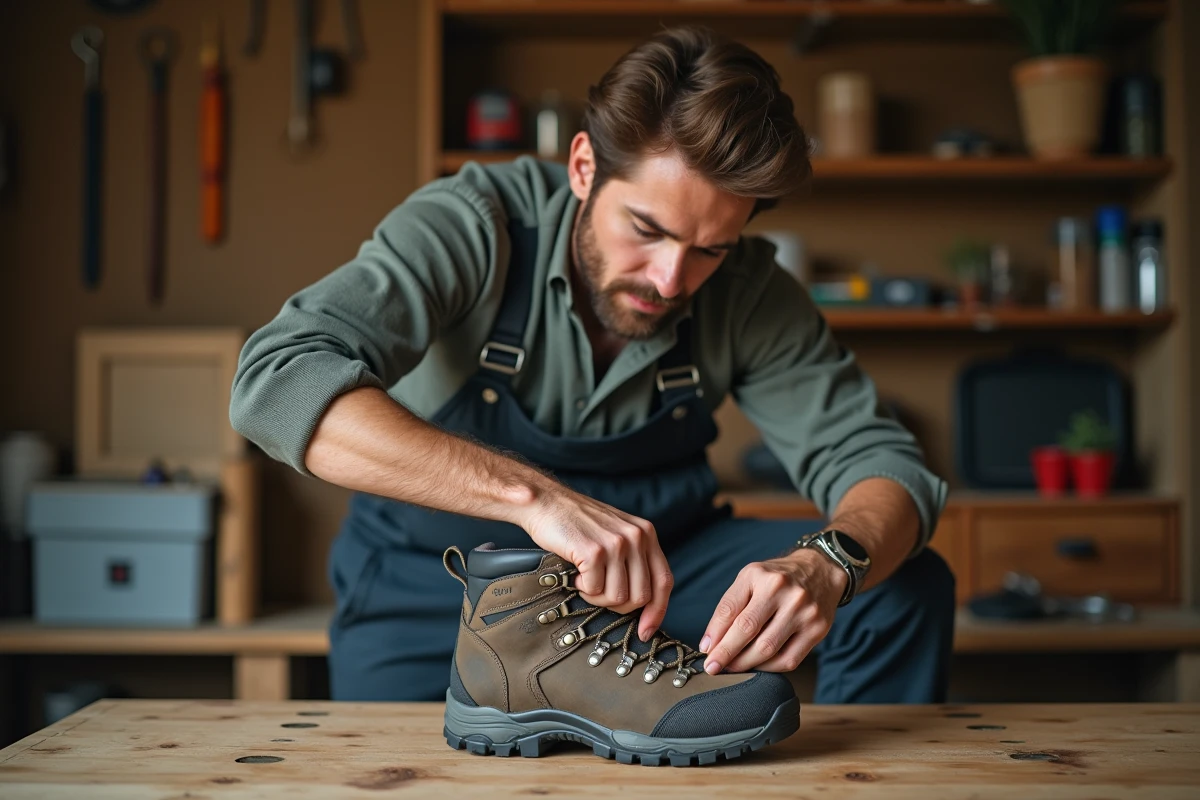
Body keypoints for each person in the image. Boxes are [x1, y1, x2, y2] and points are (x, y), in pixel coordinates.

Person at [230, 26, 954, 705]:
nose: (670, 280)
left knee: (899, 584)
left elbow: (883, 465)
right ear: (583, 168)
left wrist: (827, 562)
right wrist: (533, 499)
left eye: (709, 249)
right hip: (439, 586)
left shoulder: (749, 291)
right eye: (646, 229)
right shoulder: (475, 224)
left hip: (659, 583)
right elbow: (276, 381)